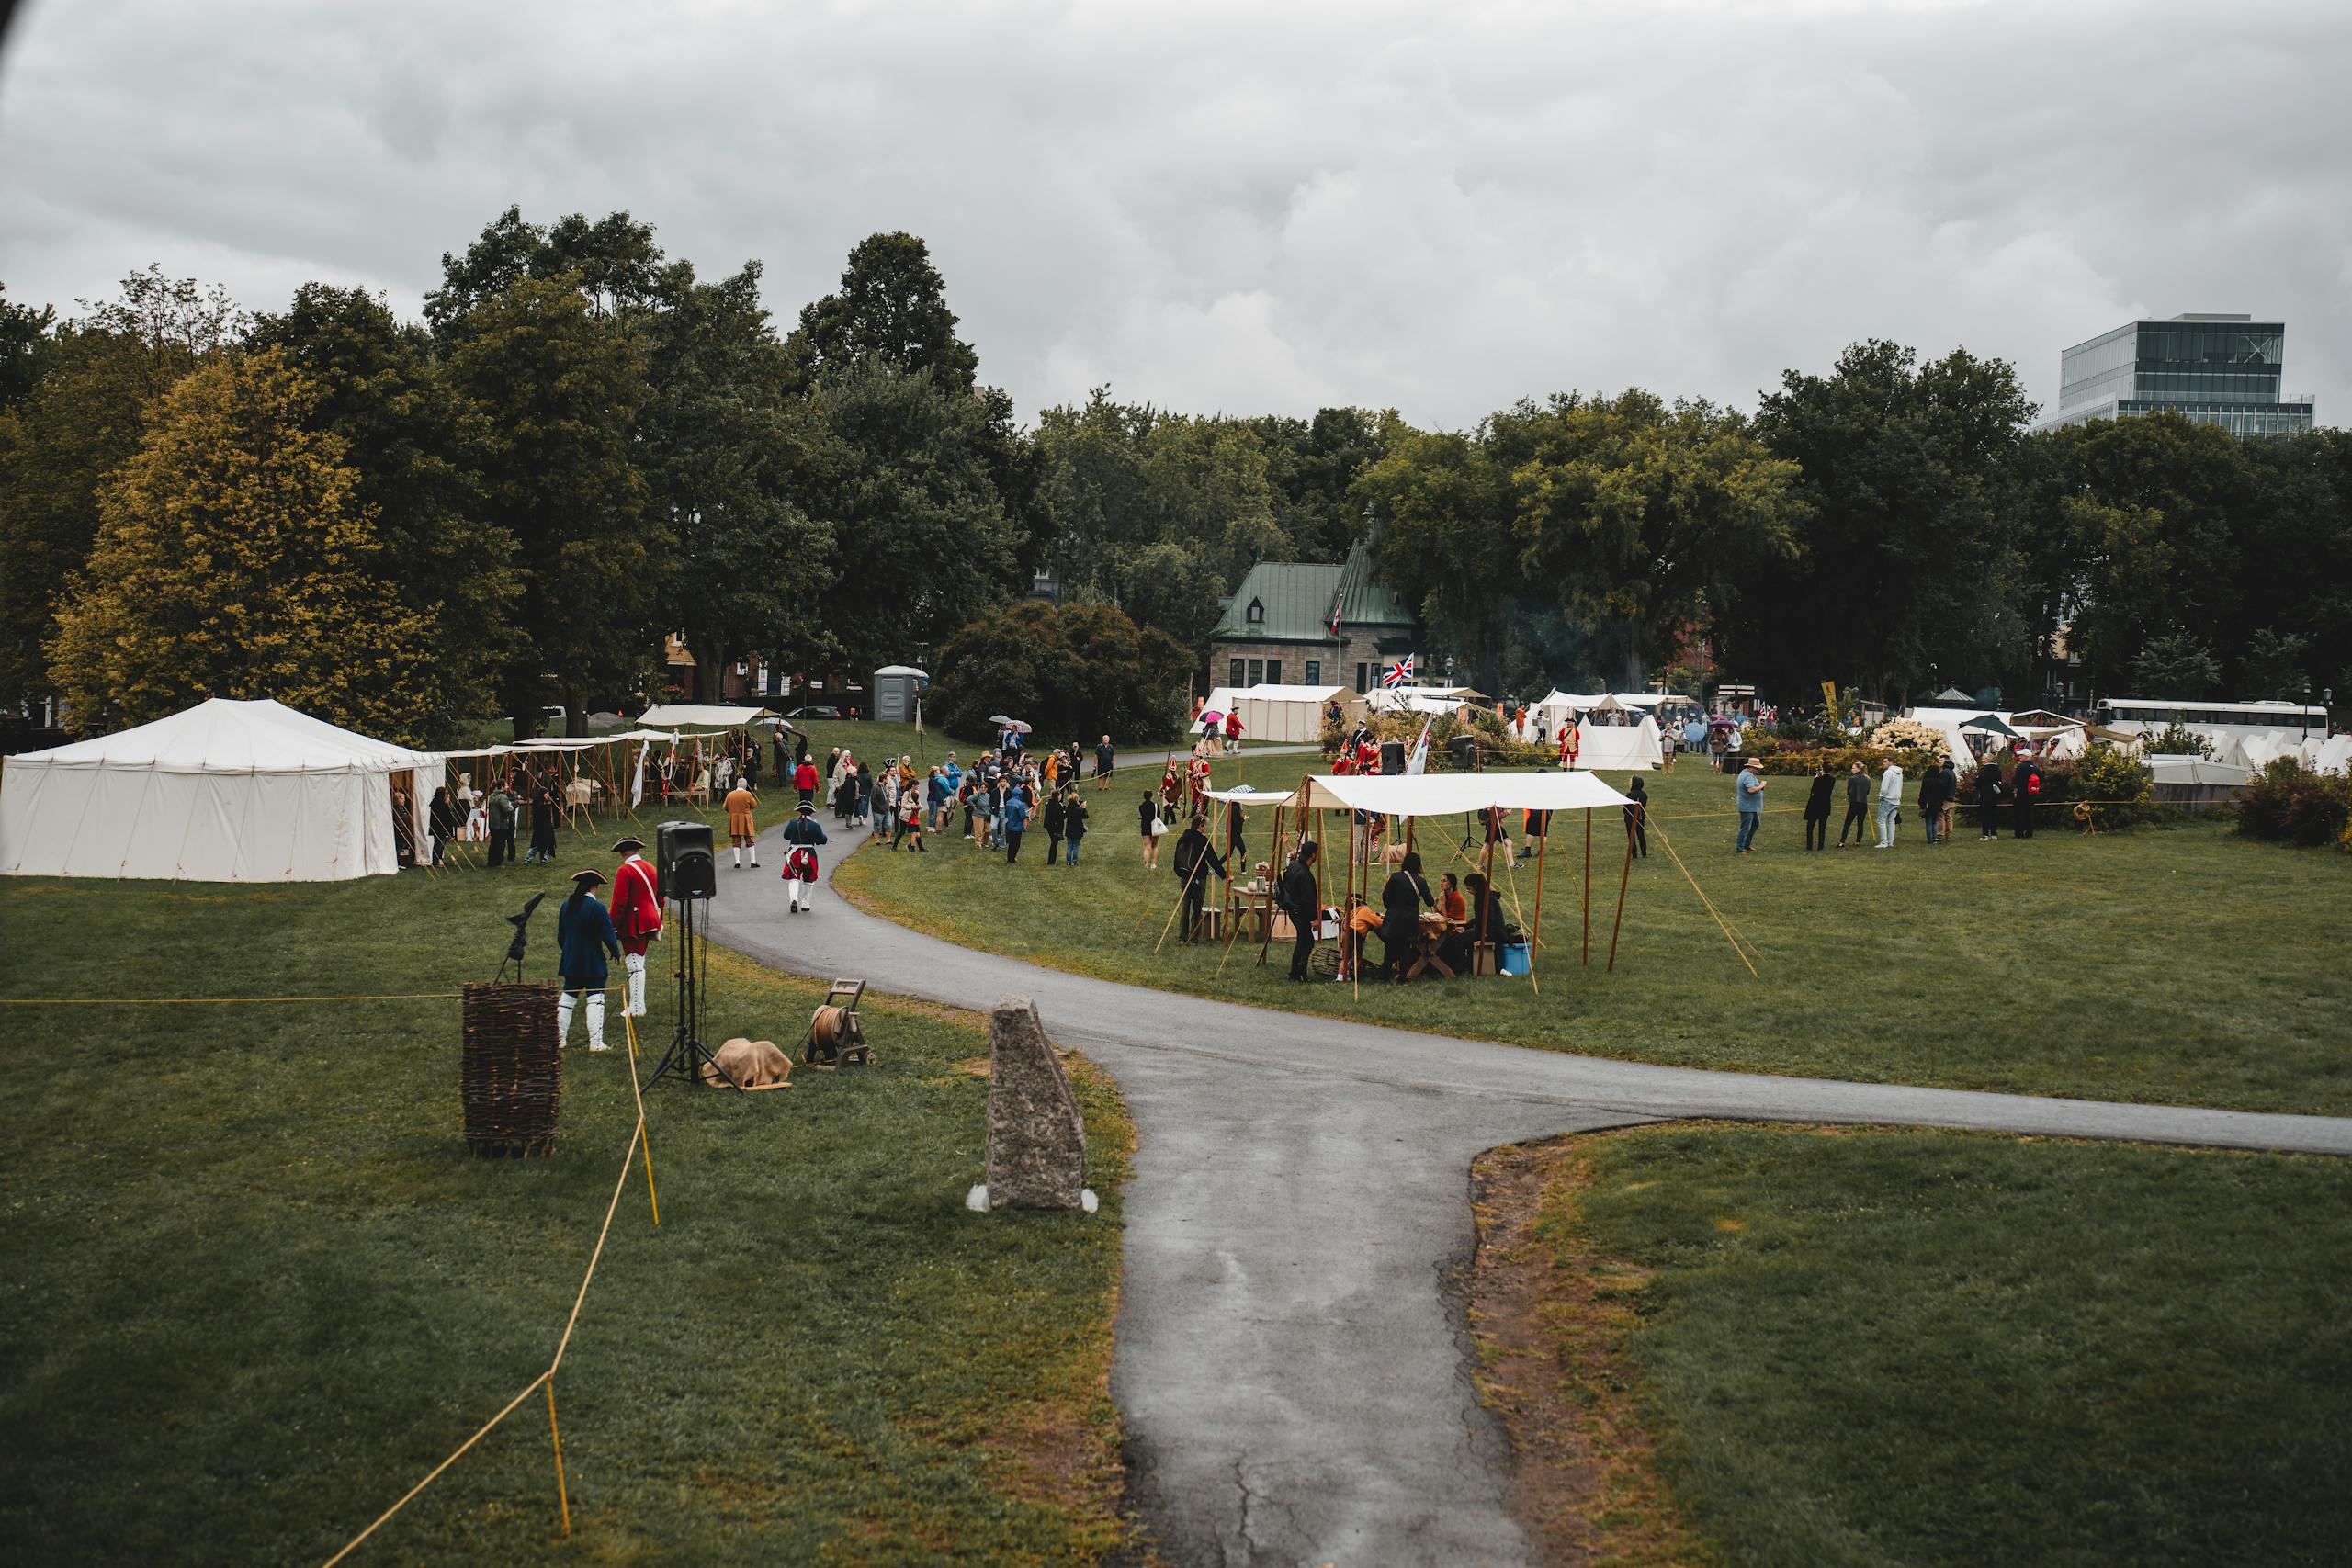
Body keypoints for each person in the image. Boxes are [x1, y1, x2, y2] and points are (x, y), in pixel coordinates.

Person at [555, 869, 622, 1053]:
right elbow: (608, 935)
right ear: (595, 887)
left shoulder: (566, 905)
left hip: (571, 961)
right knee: (596, 1000)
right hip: (592, 961)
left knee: (567, 999)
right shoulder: (597, 908)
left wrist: (569, 952)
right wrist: (615, 952)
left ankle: (559, 1039)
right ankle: (596, 1042)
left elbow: (561, 936)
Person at [609, 836, 662, 1019]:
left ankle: (638, 1007)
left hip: (633, 922)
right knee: (639, 961)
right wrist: (658, 918)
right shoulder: (651, 868)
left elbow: (619, 903)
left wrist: (612, 926)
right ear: (638, 851)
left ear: (623, 853)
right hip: (649, 920)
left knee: (634, 964)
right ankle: (637, 1005)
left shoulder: (625, 871)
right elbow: (660, 898)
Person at [1376, 850, 1433, 981]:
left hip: (1394, 917)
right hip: (1410, 919)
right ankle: (1403, 976)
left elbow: (1386, 896)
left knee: (1390, 947)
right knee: (1405, 948)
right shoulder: (1421, 881)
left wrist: (1391, 907)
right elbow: (1429, 901)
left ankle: (1385, 975)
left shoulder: (1396, 877)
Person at [1170, 813, 1227, 942]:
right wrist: (1224, 875)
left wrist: (1179, 873)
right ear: (1200, 826)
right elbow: (1213, 860)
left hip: (1184, 877)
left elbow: (1176, 859)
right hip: (1199, 878)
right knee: (1197, 908)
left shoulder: (1182, 838)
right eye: (1204, 825)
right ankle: (1193, 937)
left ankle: (1182, 937)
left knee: (1185, 906)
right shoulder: (1202, 841)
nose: (1205, 828)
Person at [1279, 838, 1320, 980]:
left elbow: (1281, 879)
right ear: (1313, 855)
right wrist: (1314, 919)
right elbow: (1308, 900)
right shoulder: (1305, 875)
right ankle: (1297, 972)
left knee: (1304, 940)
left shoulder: (1293, 865)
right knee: (1306, 941)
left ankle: (1298, 972)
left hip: (1292, 908)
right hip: (1299, 911)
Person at [781, 801, 829, 910]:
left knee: (794, 877)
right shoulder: (815, 825)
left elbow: (786, 835)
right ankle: (805, 904)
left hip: (795, 854)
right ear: (812, 812)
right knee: (809, 879)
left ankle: (794, 900)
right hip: (810, 855)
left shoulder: (793, 823)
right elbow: (823, 840)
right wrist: (817, 828)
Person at [724, 779, 759, 868]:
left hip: (734, 819)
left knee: (736, 840)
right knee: (749, 840)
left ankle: (737, 862)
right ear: (745, 785)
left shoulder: (730, 795)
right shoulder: (747, 794)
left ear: (737, 785)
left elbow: (725, 807)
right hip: (746, 819)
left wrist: (733, 812)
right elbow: (754, 805)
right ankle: (753, 861)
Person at [1734, 756, 1765, 854]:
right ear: (1752, 767)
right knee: (1745, 828)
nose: (1758, 770)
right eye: (1757, 768)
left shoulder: (1746, 773)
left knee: (1756, 823)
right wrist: (1762, 785)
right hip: (1747, 807)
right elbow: (1751, 789)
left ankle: (1746, 845)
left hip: (1751, 806)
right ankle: (1739, 849)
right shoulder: (1748, 776)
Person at [485, 779, 518, 868]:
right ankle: (497, 862)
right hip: (501, 823)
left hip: (493, 823)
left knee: (493, 843)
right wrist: (511, 807)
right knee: (500, 844)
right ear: (502, 786)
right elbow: (506, 809)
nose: (507, 787)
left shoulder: (492, 796)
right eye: (506, 785)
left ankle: (491, 861)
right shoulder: (502, 797)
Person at [1918, 755, 1951, 845]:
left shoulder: (1926, 781)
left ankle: (1930, 839)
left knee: (1928, 822)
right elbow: (1942, 793)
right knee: (1934, 821)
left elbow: (1922, 793)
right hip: (1937, 804)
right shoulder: (1939, 781)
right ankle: (1935, 838)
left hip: (1928, 803)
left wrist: (1922, 804)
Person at [1804, 761, 1836, 851]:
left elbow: (1813, 790)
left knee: (1810, 826)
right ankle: (1820, 846)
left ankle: (1809, 846)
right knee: (1822, 827)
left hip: (1815, 804)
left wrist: (1816, 778)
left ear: (1823, 769)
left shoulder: (1818, 780)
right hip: (1825, 804)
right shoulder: (1832, 779)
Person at [1875, 756, 1905, 849]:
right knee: (1891, 821)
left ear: (1890, 762)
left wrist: (1881, 796)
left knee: (1881, 820)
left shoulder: (1888, 773)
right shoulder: (1899, 773)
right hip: (1896, 800)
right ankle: (1890, 841)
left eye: (1885, 762)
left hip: (1887, 799)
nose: (1883, 763)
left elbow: (1884, 788)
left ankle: (1884, 842)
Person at [527, 778, 559, 864]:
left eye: (548, 793)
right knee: (535, 844)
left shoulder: (545, 803)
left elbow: (548, 815)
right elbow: (538, 813)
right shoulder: (538, 802)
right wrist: (545, 806)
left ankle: (543, 859)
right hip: (539, 826)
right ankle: (528, 858)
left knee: (545, 843)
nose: (548, 795)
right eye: (546, 793)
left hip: (546, 826)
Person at [1838, 761, 1870, 847]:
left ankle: (1842, 842)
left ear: (1858, 769)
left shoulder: (1852, 779)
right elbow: (1867, 792)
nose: (1852, 769)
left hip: (1854, 803)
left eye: (1853, 768)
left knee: (1847, 823)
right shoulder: (1867, 779)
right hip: (1863, 803)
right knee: (1860, 824)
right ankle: (1857, 842)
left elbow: (1849, 791)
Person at [2012, 753, 2041, 839]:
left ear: (2026, 757)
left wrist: (2015, 790)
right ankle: (2029, 833)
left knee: (2019, 813)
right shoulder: (2035, 768)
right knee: (2030, 813)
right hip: (2032, 793)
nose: (2020, 757)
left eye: (2021, 755)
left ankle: (2019, 833)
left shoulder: (2021, 767)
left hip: (2021, 793)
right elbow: (2041, 779)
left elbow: (2017, 780)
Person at [1002, 784, 1032, 863]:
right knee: (1016, 844)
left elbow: (1006, 814)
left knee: (1011, 843)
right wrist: (1025, 827)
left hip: (1009, 825)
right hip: (1017, 827)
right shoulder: (1020, 804)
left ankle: (1009, 858)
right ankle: (1012, 859)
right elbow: (1024, 817)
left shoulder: (1008, 802)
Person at [1975, 759, 2004, 840]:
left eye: (1984, 758)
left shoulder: (1983, 770)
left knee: (1985, 815)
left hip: (1985, 795)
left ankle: (1985, 834)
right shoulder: (1997, 770)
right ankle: (1994, 834)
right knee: (1993, 814)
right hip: (1994, 794)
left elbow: (1978, 783)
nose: (1982, 760)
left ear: (1988, 760)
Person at [428, 784, 457, 866]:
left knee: (442, 844)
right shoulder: (438, 804)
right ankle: (436, 861)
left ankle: (439, 859)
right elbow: (444, 814)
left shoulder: (440, 803)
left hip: (442, 827)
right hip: (439, 827)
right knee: (438, 844)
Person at [896, 777, 926, 851]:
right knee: (902, 832)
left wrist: (919, 806)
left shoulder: (917, 792)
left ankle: (920, 848)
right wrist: (912, 807)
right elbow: (903, 804)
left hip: (914, 815)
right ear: (913, 785)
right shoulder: (907, 793)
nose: (918, 787)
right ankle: (895, 846)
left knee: (918, 834)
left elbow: (919, 802)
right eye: (917, 785)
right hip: (906, 816)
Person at [1623, 776, 1649, 859]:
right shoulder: (1644, 795)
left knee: (1631, 837)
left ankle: (1634, 854)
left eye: (1630, 782)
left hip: (1630, 819)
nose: (1629, 784)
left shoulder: (1629, 795)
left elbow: (1626, 808)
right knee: (1641, 835)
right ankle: (1644, 853)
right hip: (1640, 818)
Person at [1937, 755, 1961, 842]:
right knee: (1948, 817)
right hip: (1951, 797)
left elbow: (1942, 786)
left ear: (1946, 762)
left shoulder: (1945, 772)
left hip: (1945, 797)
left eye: (1941, 760)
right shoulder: (1951, 772)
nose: (1939, 762)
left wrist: (1939, 798)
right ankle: (1948, 834)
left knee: (1941, 816)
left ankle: (1940, 834)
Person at [1138, 789, 1164, 868]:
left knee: (1147, 847)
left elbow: (1143, 815)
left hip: (1145, 827)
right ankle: (1153, 864)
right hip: (1154, 827)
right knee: (1154, 846)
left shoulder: (1141, 806)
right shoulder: (1155, 806)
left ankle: (1146, 864)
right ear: (1151, 796)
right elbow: (1158, 816)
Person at [1063, 790, 1089, 863]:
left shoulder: (1068, 808)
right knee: (1076, 845)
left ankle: (1068, 861)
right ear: (1076, 800)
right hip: (1077, 829)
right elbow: (1086, 816)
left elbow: (1065, 815)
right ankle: (1074, 861)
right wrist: (1084, 808)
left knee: (1069, 845)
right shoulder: (1079, 809)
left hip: (1069, 829)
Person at [1043, 789, 1067, 865]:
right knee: (1054, 843)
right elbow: (1061, 816)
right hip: (1055, 826)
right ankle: (1051, 861)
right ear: (1057, 796)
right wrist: (1064, 812)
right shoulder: (1057, 805)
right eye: (1060, 795)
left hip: (1049, 826)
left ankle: (1051, 861)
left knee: (1054, 842)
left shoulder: (1049, 803)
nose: (1061, 796)